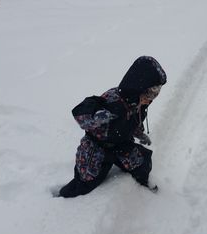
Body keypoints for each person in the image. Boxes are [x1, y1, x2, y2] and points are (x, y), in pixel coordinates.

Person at [58, 56, 167, 198]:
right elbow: (81, 114)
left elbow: (132, 122)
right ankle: (61, 199)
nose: (152, 97)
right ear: (139, 86)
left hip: (121, 145)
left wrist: (139, 133)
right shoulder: (113, 100)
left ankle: (145, 191)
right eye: (151, 92)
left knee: (143, 163)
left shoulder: (140, 104)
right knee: (85, 183)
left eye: (156, 92)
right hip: (97, 147)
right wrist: (97, 116)